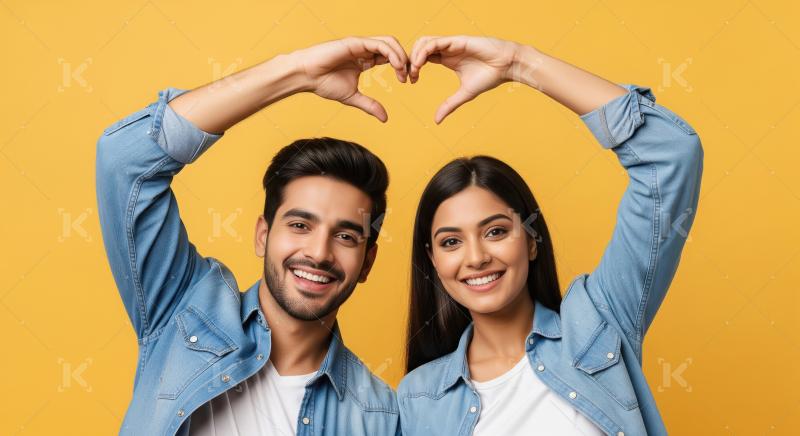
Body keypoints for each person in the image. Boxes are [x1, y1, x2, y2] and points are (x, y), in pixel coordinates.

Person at [95, 36, 412, 435]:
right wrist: (296, 73)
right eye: (300, 225)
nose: (318, 252)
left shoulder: (378, 417)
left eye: (346, 236)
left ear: (367, 261)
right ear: (263, 235)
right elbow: (123, 159)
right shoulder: (182, 311)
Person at [398, 35, 703, 436]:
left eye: (495, 231)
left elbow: (671, 154)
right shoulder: (418, 398)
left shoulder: (597, 325)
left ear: (531, 239)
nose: (475, 257)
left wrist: (518, 63)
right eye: (451, 241)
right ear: (434, 261)